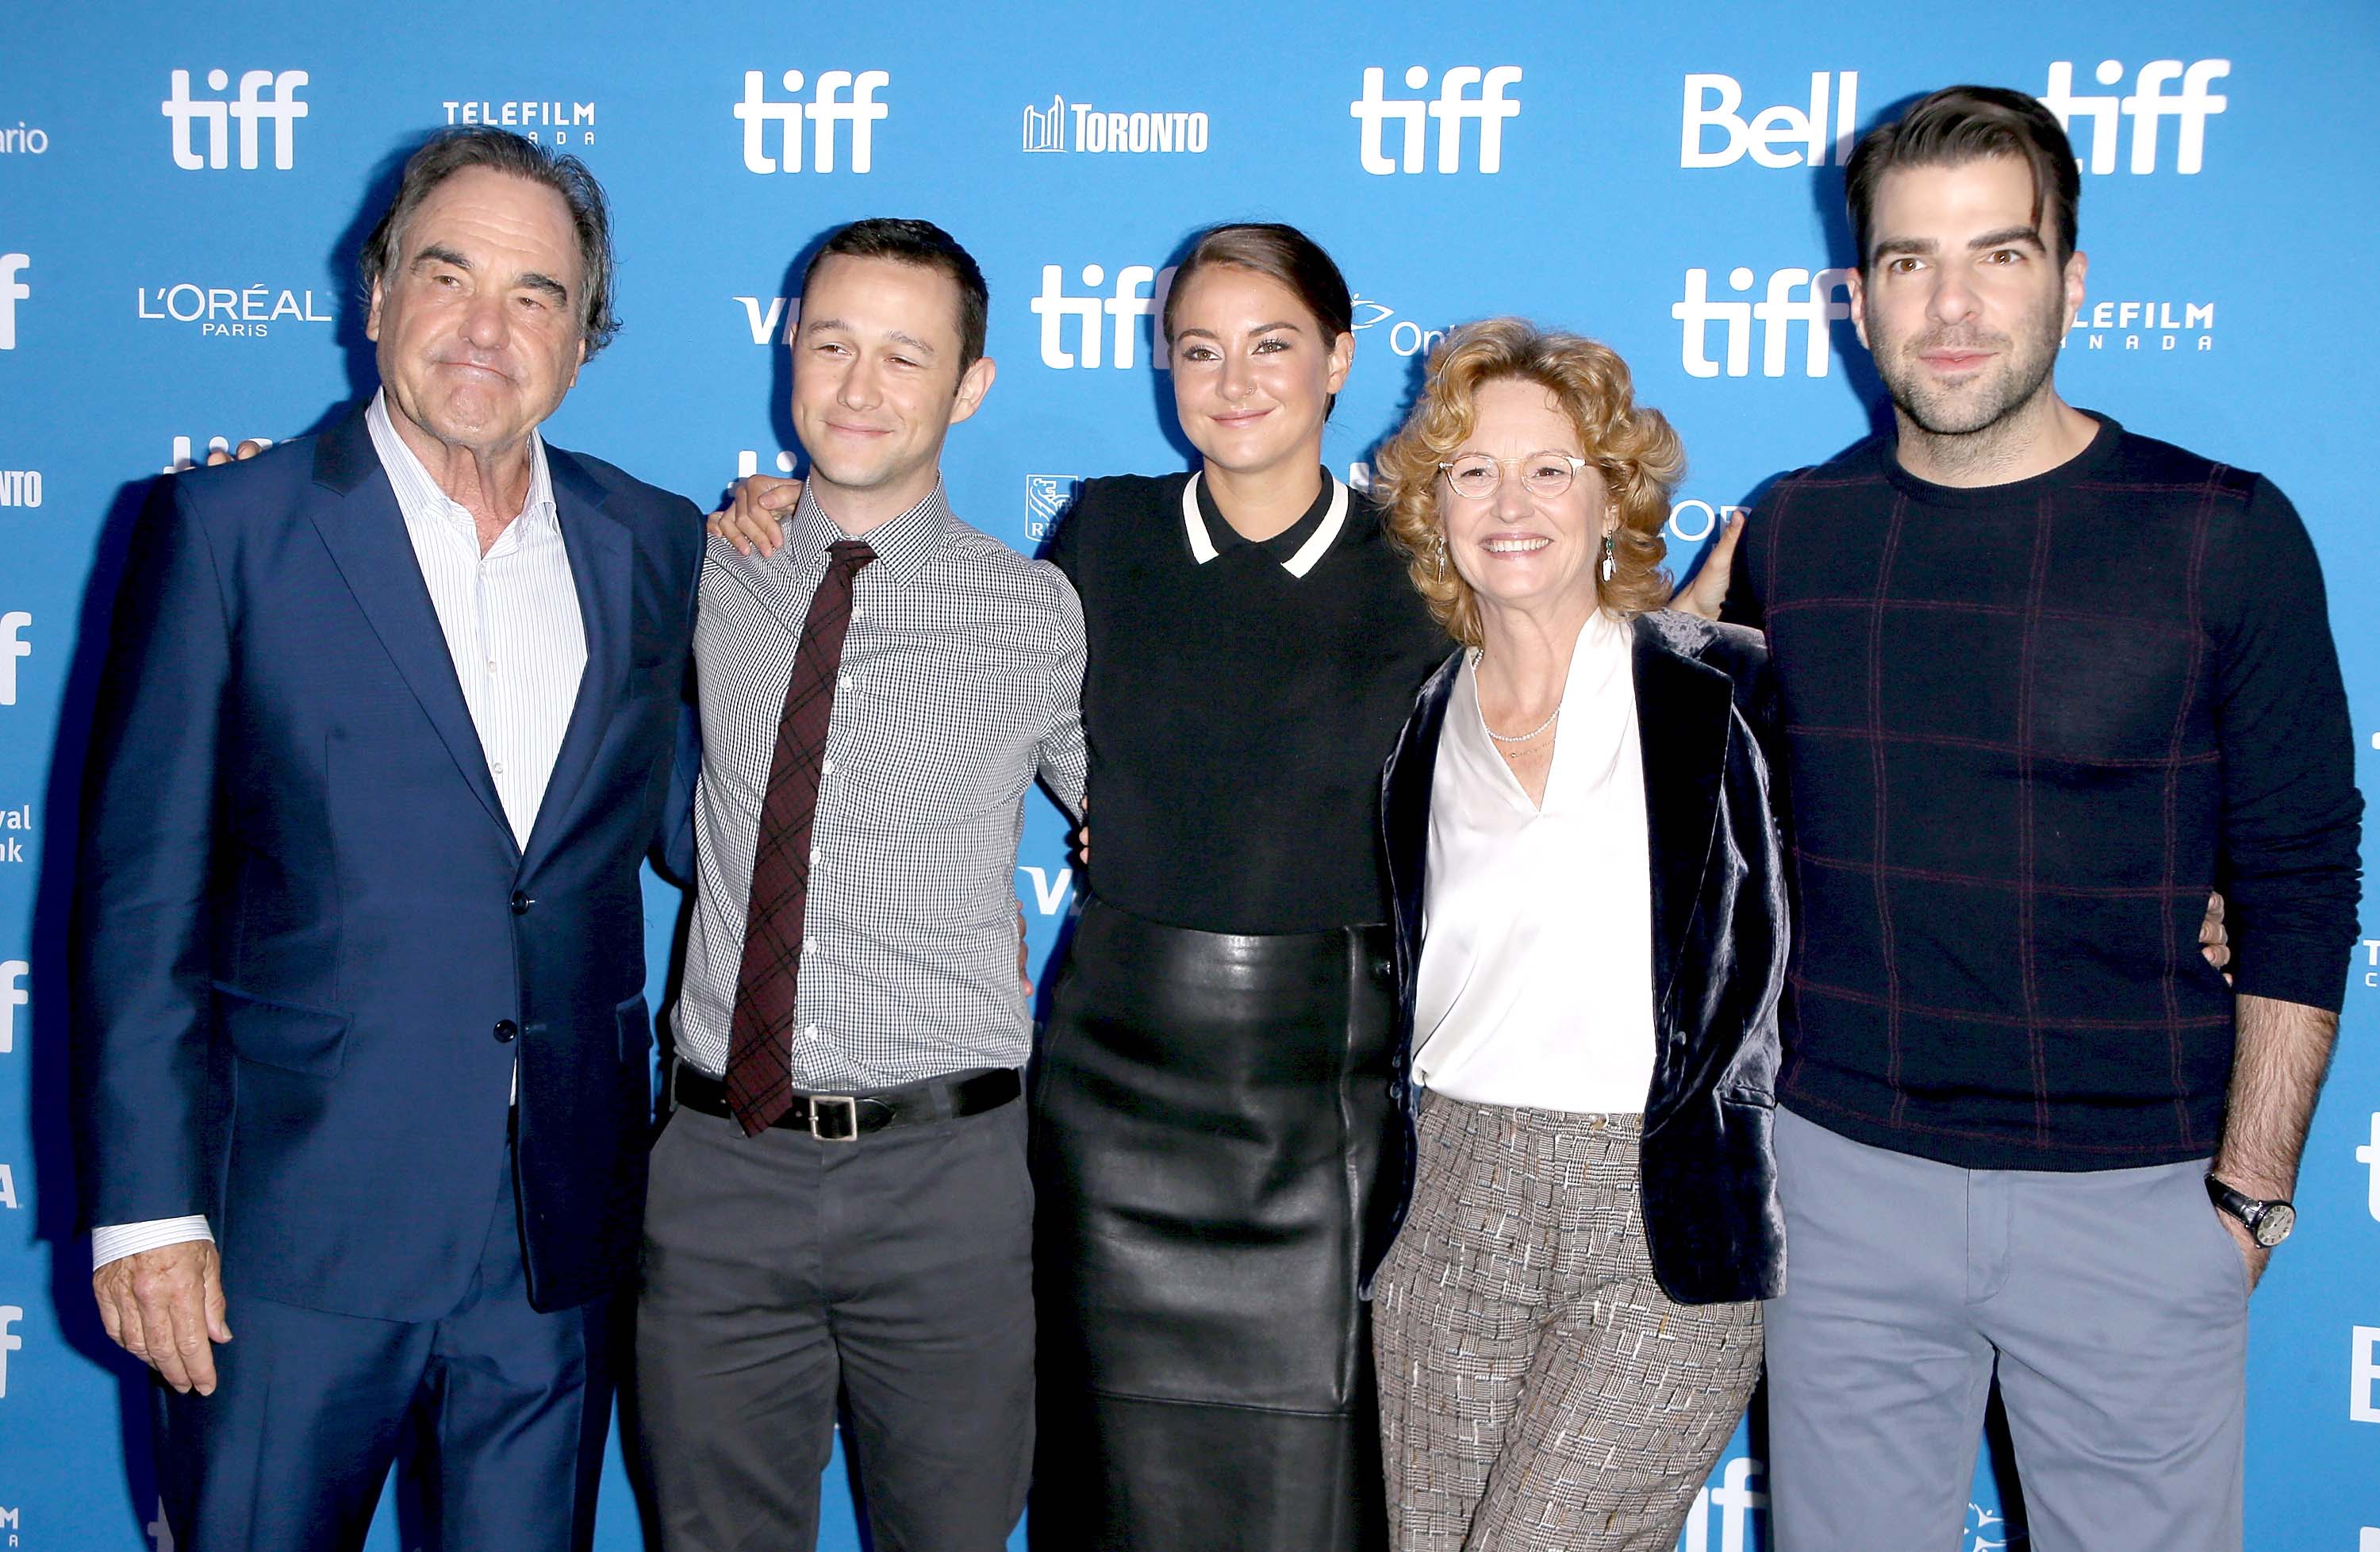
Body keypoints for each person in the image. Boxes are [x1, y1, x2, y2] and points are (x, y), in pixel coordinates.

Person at [1675, 86, 2362, 1550]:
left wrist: (2248, 1195)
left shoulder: (2222, 533)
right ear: (1853, 298)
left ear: (2072, 278)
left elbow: (2302, 877)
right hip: (1844, 1186)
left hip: (2137, 1195)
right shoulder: (1795, 531)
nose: (1954, 305)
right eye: (1910, 261)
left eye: (2000, 253)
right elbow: (1692, 811)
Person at [712, 221, 1450, 1551]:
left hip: (1323, 1099)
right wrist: (771, 510)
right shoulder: (1105, 532)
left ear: (1340, 359)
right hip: (1116, 1090)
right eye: (1198, 349)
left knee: (1316, 1500)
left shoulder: (1426, 561)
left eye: (1274, 345)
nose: (1234, 380)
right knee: (1103, 1490)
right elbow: (961, 692)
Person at [71, 127, 703, 1550]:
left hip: (555, 1242)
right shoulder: (228, 525)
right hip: (285, 1244)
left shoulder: (655, 541)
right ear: (375, 296)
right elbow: (135, 902)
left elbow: (690, 817)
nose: (488, 328)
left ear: (584, 338)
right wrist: (145, 1216)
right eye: (449, 274)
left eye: (537, 294)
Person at [635, 217, 1086, 1552]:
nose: (859, 387)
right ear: (789, 350)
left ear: (971, 385)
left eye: (906, 355)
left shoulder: (1034, 612)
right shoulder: (705, 565)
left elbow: (1150, 823)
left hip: (947, 1184)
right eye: (832, 344)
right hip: (719, 1168)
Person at [1361, 318, 1783, 1551]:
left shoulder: (1726, 691)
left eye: (1552, 467)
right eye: (1473, 470)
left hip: (1661, 1207)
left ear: (1615, 498)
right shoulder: (1404, 717)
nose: (1511, 501)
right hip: (1445, 1199)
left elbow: (1908, 838)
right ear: (1435, 505)